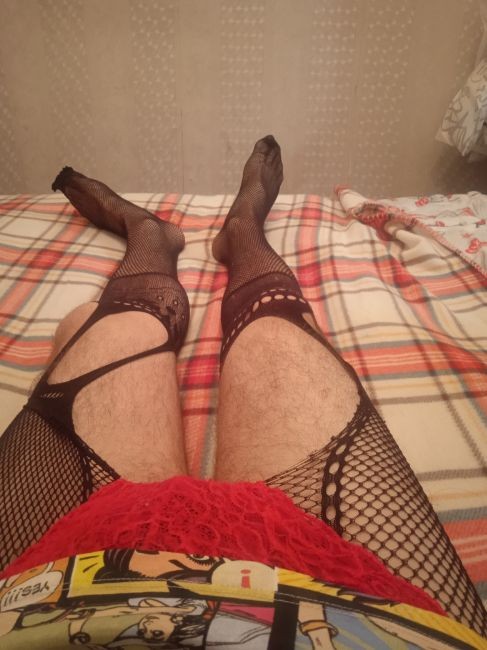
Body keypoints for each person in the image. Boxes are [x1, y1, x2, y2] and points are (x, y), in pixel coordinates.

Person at [0, 136, 485, 648]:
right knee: (274, 325)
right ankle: (238, 232)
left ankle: (153, 236)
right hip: (358, 620)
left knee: (104, 325)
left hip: (39, 604)